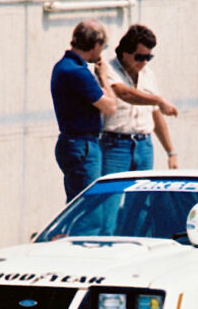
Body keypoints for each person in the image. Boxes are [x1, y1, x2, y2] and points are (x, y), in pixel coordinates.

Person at [50, 20, 117, 202]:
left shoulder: (63, 66)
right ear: (95, 45)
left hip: (73, 142)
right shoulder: (78, 72)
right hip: (82, 144)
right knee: (89, 207)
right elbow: (110, 107)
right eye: (103, 47)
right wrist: (103, 77)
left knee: (77, 202)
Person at [100, 24, 180, 174]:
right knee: (111, 195)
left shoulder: (148, 74)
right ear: (124, 53)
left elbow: (155, 115)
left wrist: (171, 152)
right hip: (116, 145)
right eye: (139, 57)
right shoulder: (107, 70)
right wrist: (158, 100)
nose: (144, 62)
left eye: (148, 57)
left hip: (144, 144)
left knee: (141, 195)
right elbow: (124, 93)